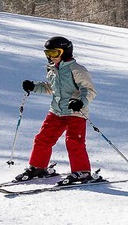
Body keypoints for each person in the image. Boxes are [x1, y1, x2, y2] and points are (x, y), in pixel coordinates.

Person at [15, 36, 102, 185]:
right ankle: (38, 167)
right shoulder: (52, 70)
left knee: (74, 141)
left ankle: (81, 171)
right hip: (56, 111)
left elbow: (89, 89)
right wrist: (34, 87)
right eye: (48, 53)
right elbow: (51, 88)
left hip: (75, 112)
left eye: (54, 53)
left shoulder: (77, 70)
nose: (50, 57)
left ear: (65, 52)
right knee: (42, 139)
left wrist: (80, 102)